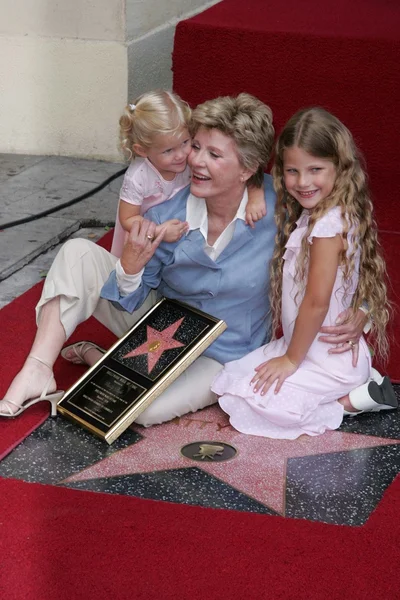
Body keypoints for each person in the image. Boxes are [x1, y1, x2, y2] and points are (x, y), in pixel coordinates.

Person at [0, 96, 367, 424]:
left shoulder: (282, 205)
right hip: (160, 324)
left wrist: (363, 308)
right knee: (77, 253)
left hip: (224, 350)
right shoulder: (165, 214)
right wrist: (129, 266)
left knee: (142, 412)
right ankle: (37, 369)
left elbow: (345, 245)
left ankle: (105, 360)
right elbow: (128, 298)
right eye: (195, 146)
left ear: (247, 169)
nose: (195, 160)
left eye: (214, 154)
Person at [212, 107, 397, 439]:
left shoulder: (326, 226)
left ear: (340, 168)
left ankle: (351, 401)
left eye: (315, 169)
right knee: (235, 379)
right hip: (308, 345)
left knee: (259, 404)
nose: (302, 182)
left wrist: (291, 361)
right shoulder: (326, 213)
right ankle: (358, 382)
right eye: (292, 171)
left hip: (321, 356)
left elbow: (316, 302)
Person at [110, 89, 267, 259]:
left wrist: (255, 194)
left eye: (186, 142)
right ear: (142, 150)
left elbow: (243, 173)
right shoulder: (137, 177)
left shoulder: (185, 158)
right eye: (168, 150)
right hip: (144, 232)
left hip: (179, 222)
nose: (182, 155)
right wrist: (158, 231)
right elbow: (128, 219)